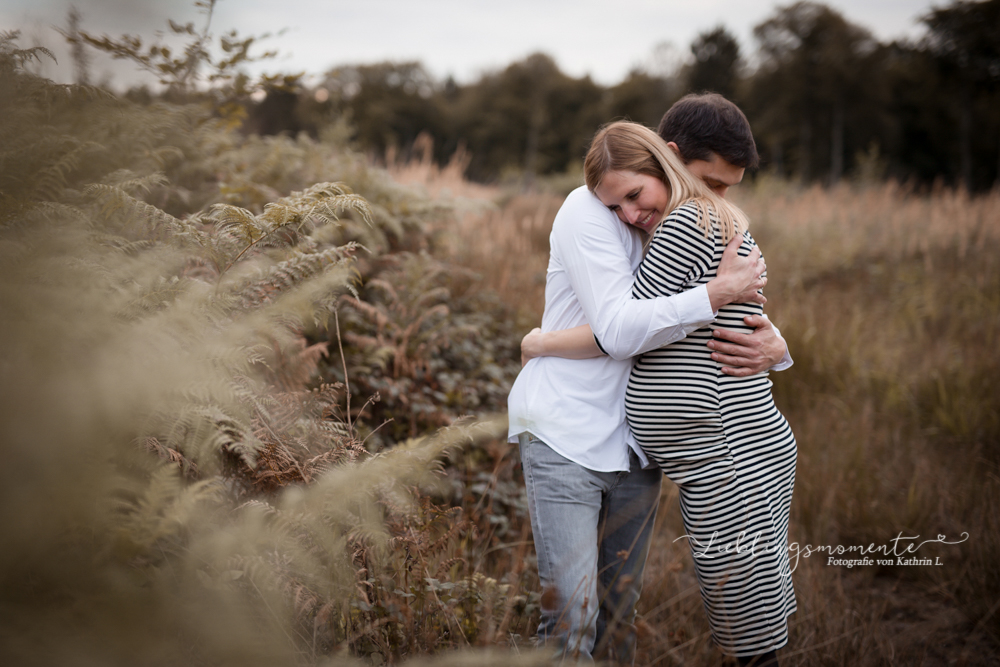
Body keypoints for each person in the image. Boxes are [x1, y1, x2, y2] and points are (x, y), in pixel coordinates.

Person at [508, 93, 790, 665]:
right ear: (671, 156)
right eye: (710, 181)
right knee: (571, 619)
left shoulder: (683, 219)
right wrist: (541, 343)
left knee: (617, 618)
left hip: (635, 452)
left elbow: (724, 305)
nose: (718, 197)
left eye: (728, 188)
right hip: (569, 434)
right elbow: (620, 328)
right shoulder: (589, 212)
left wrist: (777, 346)